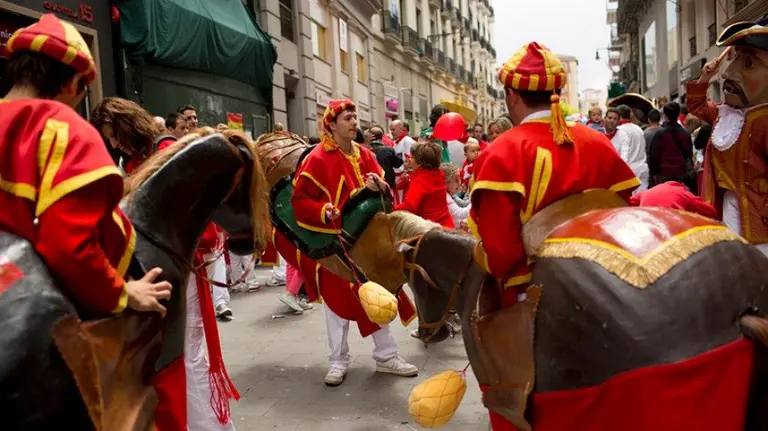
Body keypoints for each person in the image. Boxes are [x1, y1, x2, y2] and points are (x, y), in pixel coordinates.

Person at [469, 42, 639, 429]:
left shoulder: (501, 152)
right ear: (555, 94)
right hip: (609, 285)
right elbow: (626, 212)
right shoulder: (596, 142)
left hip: (531, 296)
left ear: (511, 95)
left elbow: (499, 253)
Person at [0, 13, 172, 320]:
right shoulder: (64, 129)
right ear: (73, 82)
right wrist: (121, 292)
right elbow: (68, 246)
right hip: (41, 317)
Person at [290, 98, 418, 386]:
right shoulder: (317, 158)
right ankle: (337, 361)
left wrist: (379, 185)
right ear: (331, 124)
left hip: (369, 243)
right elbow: (300, 201)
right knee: (336, 302)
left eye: (354, 116)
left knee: (378, 296)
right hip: (336, 244)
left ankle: (387, 356)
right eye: (347, 117)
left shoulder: (365, 154)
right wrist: (324, 210)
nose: (353, 122)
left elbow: (385, 192)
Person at [690, 18, 768, 254]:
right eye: (734, 57)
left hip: (758, 218)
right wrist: (705, 78)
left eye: (749, 64)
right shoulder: (724, 112)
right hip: (725, 206)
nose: (728, 72)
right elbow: (696, 106)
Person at [90, 97, 161, 174]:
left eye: (114, 135)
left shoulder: (164, 146)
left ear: (129, 126)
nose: (114, 145)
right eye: (108, 139)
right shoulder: (127, 164)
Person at [395, 141, 455, 228]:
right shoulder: (439, 174)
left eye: (412, 157)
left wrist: (393, 211)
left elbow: (409, 207)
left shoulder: (420, 181)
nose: (409, 160)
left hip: (430, 229)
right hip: (447, 225)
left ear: (419, 164)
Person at [647, 102, 695, 191]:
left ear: (665, 115)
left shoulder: (660, 134)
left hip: (664, 173)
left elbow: (654, 155)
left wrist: (653, 172)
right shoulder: (685, 133)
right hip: (681, 173)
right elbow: (688, 153)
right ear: (678, 114)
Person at [629, 181, 718, 219]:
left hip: (647, 222)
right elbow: (711, 211)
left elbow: (629, 202)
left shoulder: (647, 191)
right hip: (671, 225)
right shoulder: (684, 193)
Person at [616, 104, 649, 192]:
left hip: (630, 171)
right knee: (642, 201)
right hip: (643, 168)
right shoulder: (638, 128)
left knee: (632, 202)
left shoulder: (619, 130)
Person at [365, 125, 403, 189]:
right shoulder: (388, 149)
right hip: (387, 183)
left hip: (370, 184)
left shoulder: (364, 150)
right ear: (382, 136)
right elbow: (398, 164)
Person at [442, 164, 471, 228]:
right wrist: (476, 201)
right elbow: (460, 213)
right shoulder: (446, 197)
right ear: (445, 182)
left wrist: (461, 222)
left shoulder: (450, 195)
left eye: (459, 179)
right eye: (456, 180)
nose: (460, 182)